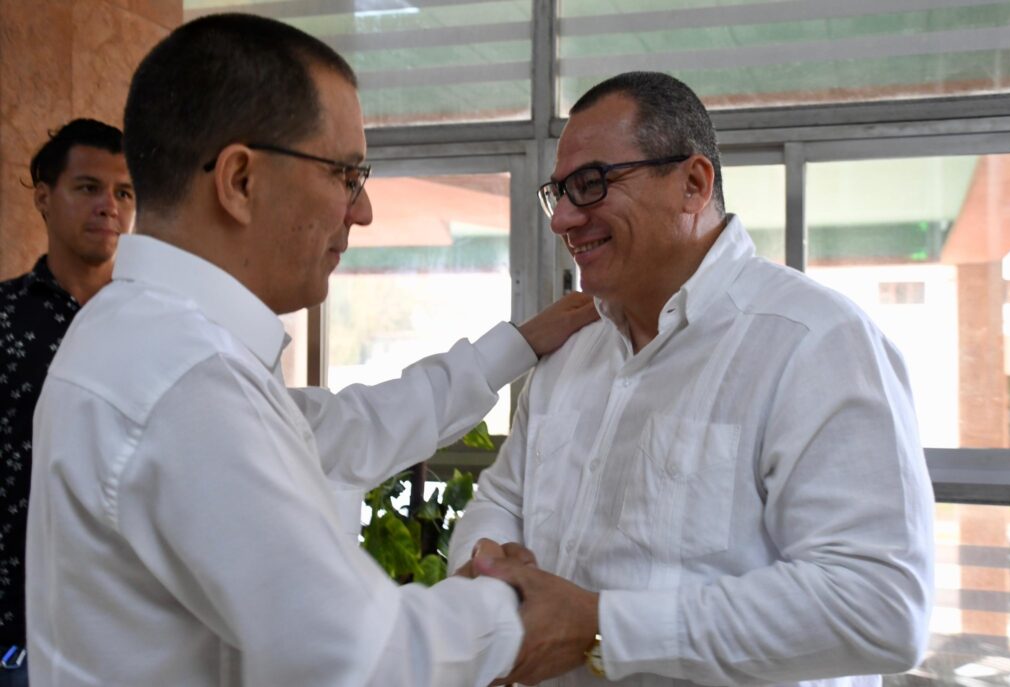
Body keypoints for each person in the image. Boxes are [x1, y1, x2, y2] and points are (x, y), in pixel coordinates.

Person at [24, 13, 596, 687]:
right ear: (240, 181)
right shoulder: (185, 376)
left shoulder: (140, 333)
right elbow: (359, 657)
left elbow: (342, 429)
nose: (363, 211)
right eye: (345, 174)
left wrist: (518, 345)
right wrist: (519, 610)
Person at [449, 71, 935, 687]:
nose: (562, 219)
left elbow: (879, 606)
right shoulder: (572, 350)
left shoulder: (814, 343)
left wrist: (605, 627)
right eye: (559, 193)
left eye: (591, 184)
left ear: (693, 184)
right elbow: (503, 500)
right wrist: (491, 577)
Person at [0, 118, 135, 687]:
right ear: (44, 198)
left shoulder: (155, 323)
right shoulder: (5, 318)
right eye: (88, 187)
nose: (109, 206)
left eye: (124, 193)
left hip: (132, 623)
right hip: (17, 623)